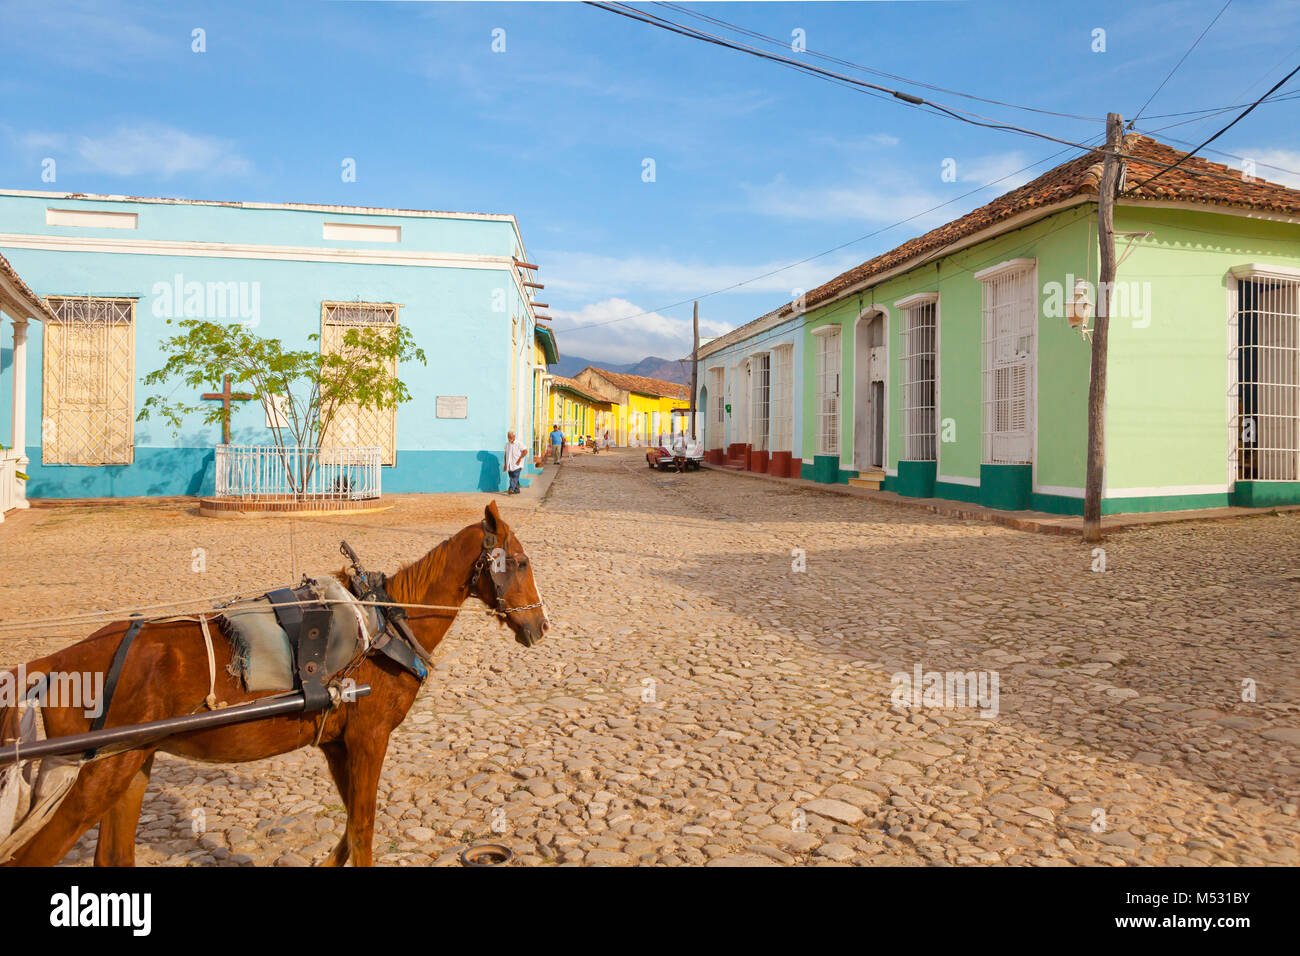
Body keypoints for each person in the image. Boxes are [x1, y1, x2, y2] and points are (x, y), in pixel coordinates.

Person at [503, 430, 527, 495]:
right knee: (512, 477)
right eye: (508, 437)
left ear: (514, 436)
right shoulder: (507, 445)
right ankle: (517, 489)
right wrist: (505, 464)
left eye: (510, 437)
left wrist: (520, 459)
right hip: (509, 464)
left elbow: (525, 451)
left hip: (517, 464)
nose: (509, 438)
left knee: (514, 477)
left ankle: (511, 489)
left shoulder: (519, 443)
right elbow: (506, 454)